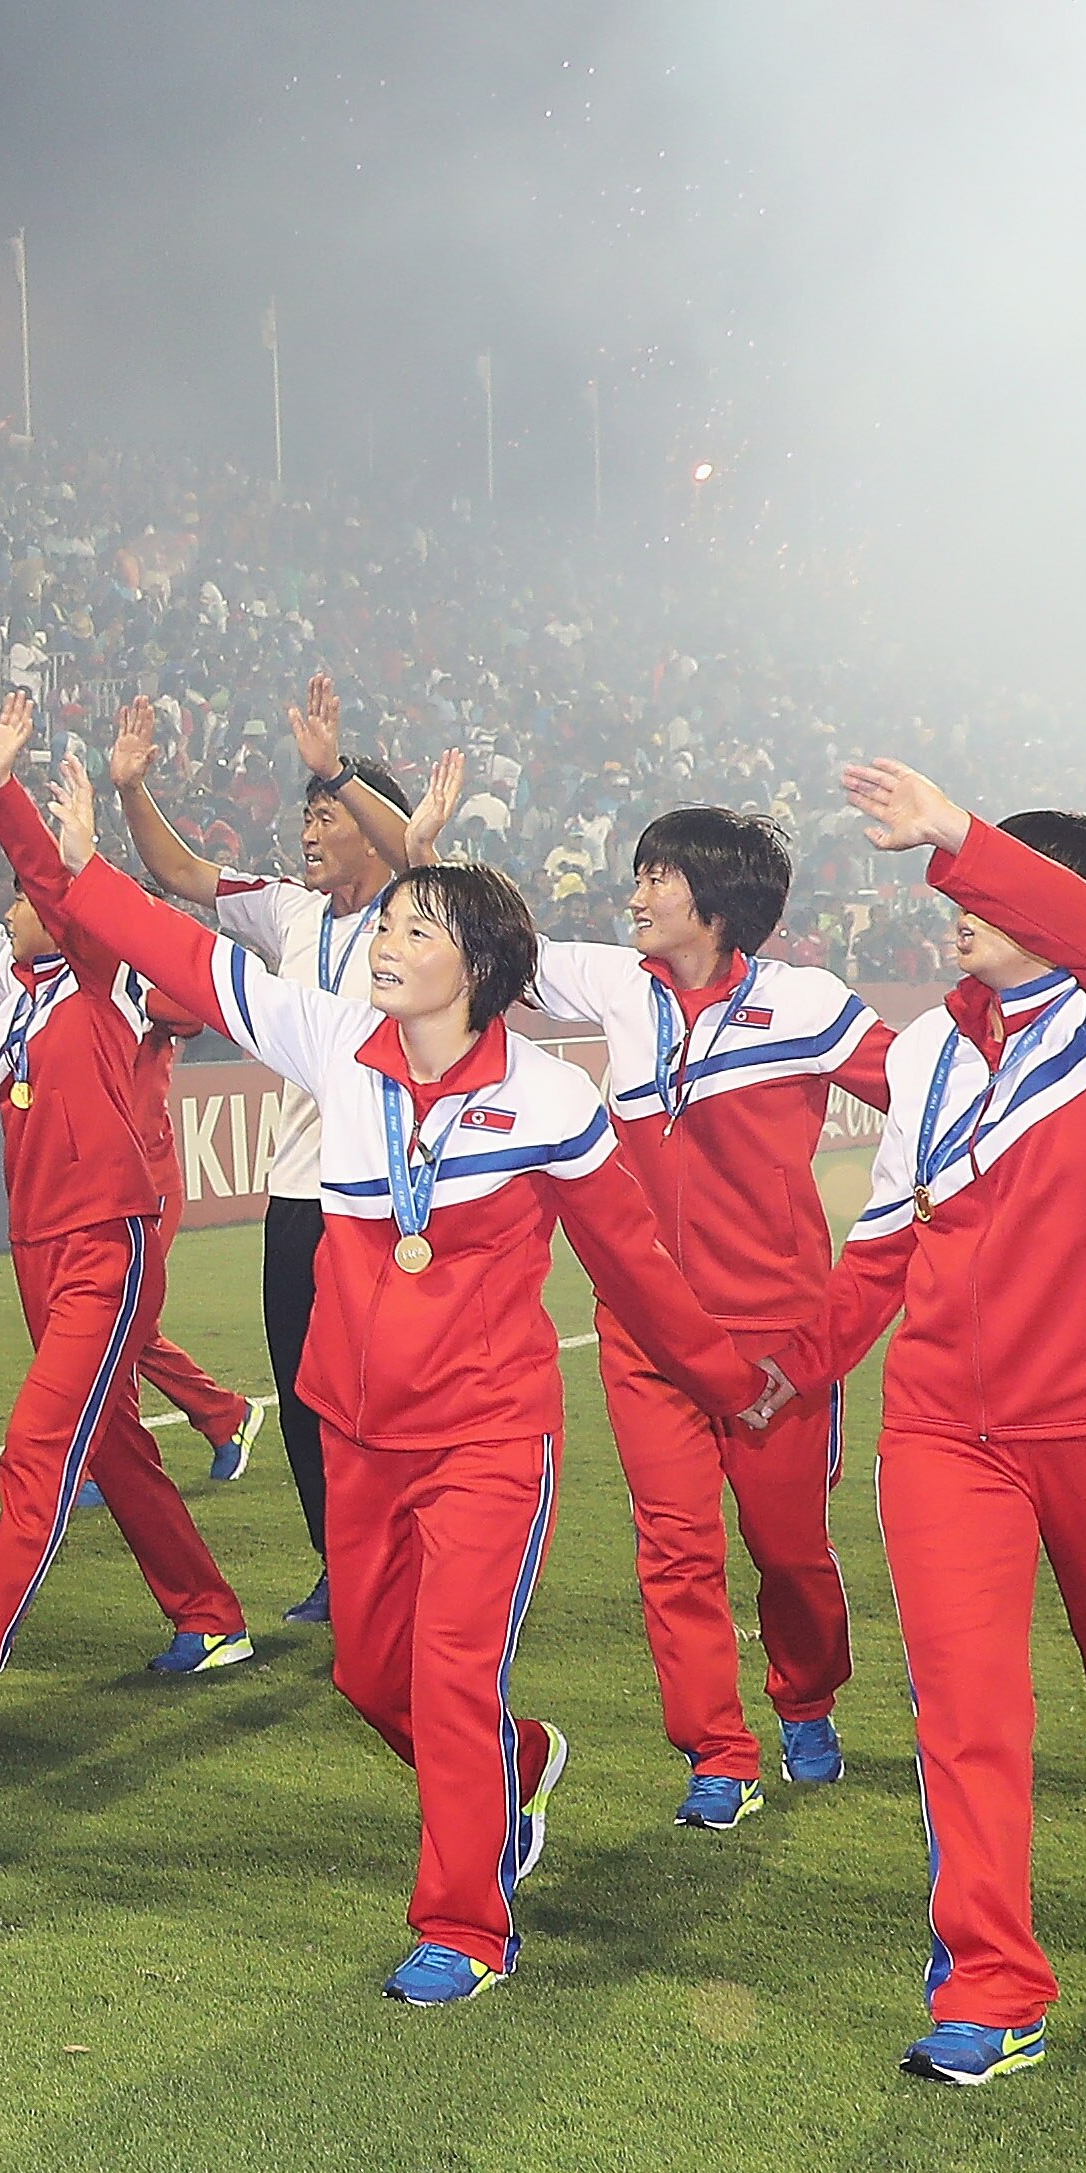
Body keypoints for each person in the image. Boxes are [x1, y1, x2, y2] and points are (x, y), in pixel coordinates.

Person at [0, 693, 785, 2008]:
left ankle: (466, 1926)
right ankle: (515, 1761)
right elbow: (190, 960)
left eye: (415, 928)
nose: (387, 940)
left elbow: (632, 1272)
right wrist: (70, 867)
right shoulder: (334, 1046)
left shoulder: (546, 1099)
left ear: (472, 965)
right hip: (356, 1434)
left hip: (486, 1442)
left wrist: (727, 1386)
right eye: (390, 923)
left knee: (446, 1664)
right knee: (369, 1679)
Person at [788, 757, 1086, 2085]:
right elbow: (879, 1248)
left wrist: (957, 833)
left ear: (1068, 904)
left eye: (985, 884)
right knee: (962, 1707)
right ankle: (989, 1984)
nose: (952, 903)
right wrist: (781, 1374)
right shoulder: (922, 1049)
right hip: (941, 1431)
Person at [423, 768, 895, 1829]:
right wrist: (418, 840)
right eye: (638, 873)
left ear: (718, 903)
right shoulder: (611, 983)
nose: (634, 894)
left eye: (657, 875)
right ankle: (716, 1755)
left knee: (789, 1555)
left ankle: (807, 1695)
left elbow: (933, 1101)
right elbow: (479, 943)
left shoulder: (809, 1006)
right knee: (674, 1550)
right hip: (647, 1336)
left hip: (778, 1346)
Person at [0, 730, 259, 1697]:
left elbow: (53, 891)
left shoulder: (102, 973)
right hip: (38, 1247)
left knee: (41, 1444)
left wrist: (2, 792)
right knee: (117, 1447)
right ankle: (211, 1620)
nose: (9, 913)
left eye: (28, 903)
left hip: (103, 1238)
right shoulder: (19, 988)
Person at [107, 679, 410, 1623]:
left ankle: (406, 1554)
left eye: (327, 817)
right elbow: (182, 874)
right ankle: (338, 1564)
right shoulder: (287, 911)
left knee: (390, 1392)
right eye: (307, 817)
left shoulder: (419, 905)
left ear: (367, 822)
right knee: (306, 1390)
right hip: (297, 1196)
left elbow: (415, 845)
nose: (310, 834)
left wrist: (341, 771)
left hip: (392, 1198)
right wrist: (129, 792)